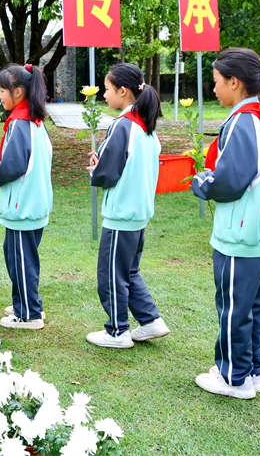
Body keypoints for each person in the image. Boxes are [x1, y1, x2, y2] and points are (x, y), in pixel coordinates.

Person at [192, 47, 260, 399]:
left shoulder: (243, 121)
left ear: (234, 82)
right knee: (253, 308)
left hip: (241, 235)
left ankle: (233, 378)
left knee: (233, 308)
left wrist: (201, 181)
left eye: (216, 83)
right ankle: (250, 370)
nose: (213, 90)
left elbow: (229, 181)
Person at [85, 64, 169, 349]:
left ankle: (117, 331)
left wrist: (95, 169)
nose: (104, 95)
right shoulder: (147, 126)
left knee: (111, 274)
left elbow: (107, 172)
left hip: (121, 214)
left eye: (107, 89)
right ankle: (150, 320)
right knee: (129, 271)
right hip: (139, 213)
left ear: (123, 91)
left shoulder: (123, 124)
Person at [0, 63, 53, 329]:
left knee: (20, 259)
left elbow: (11, 168)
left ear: (19, 92)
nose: (0, 95)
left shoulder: (19, 124)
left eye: (2, 90)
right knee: (22, 257)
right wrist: (3, 150)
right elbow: (28, 159)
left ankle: (29, 314)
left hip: (22, 205)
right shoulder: (33, 122)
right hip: (34, 202)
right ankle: (26, 302)